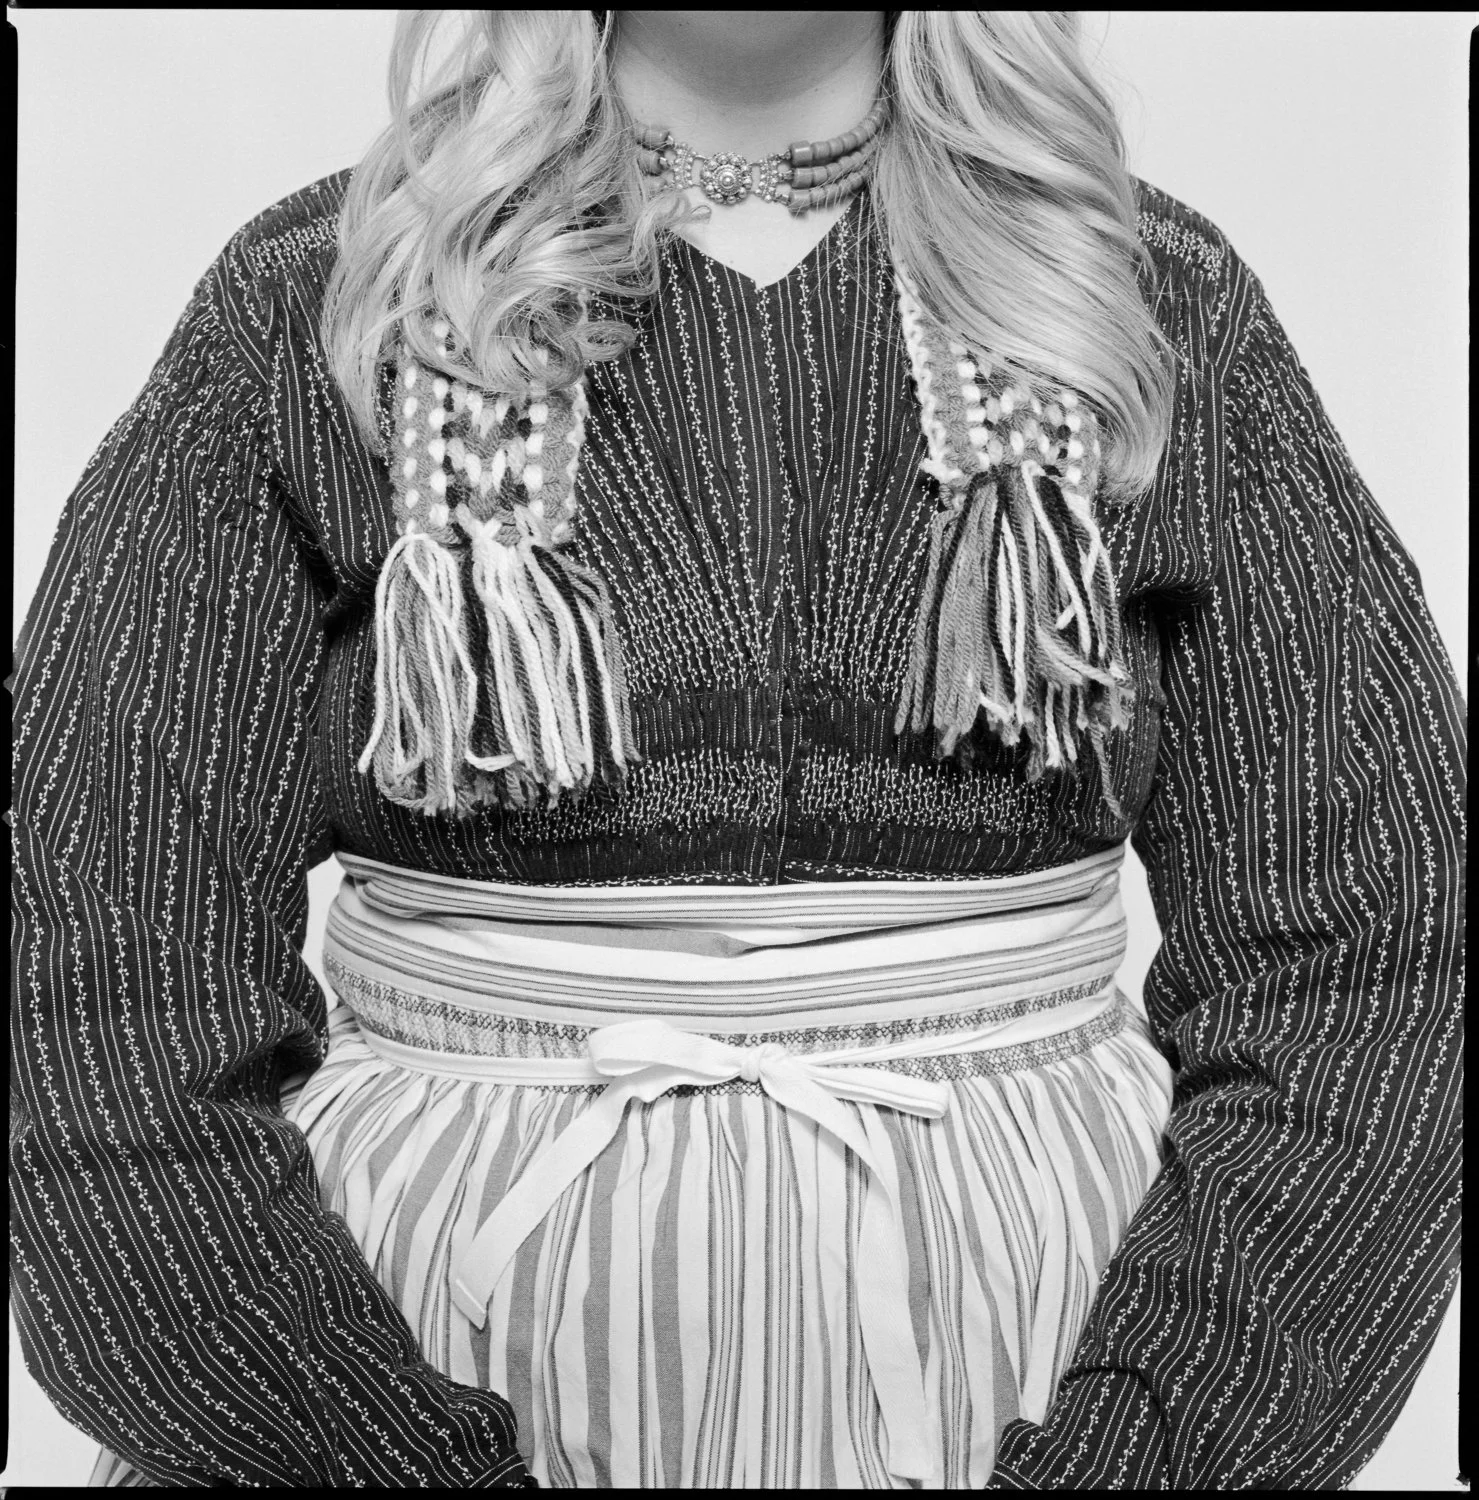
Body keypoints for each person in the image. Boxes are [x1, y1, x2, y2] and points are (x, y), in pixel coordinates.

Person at [9, 10, 1463, 1490]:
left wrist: (1145, 1460)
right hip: (408, 1343)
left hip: (1045, 1343)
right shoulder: (329, 298)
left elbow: (1369, 952)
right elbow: (103, 977)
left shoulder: (1134, 299)